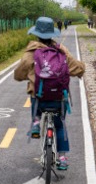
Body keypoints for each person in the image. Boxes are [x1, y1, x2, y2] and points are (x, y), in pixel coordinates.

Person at [14, 16, 85, 170]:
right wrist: (79, 70)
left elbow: (18, 74)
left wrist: (26, 76)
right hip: (59, 99)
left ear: (37, 34)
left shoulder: (31, 52)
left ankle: (36, 122)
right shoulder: (61, 50)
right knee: (60, 126)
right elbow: (77, 68)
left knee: (35, 99)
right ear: (52, 34)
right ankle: (63, 158)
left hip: (39, 99)